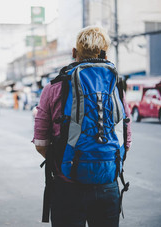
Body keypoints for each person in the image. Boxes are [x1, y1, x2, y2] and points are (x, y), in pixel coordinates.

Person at [33, 26, 132, 227]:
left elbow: (41, 143)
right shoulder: (115, 86)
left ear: (74, 53)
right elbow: (126, 140)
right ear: (105, 52)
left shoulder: (54, 88)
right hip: (108, 185)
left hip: (67, 186)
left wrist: (68, 161)